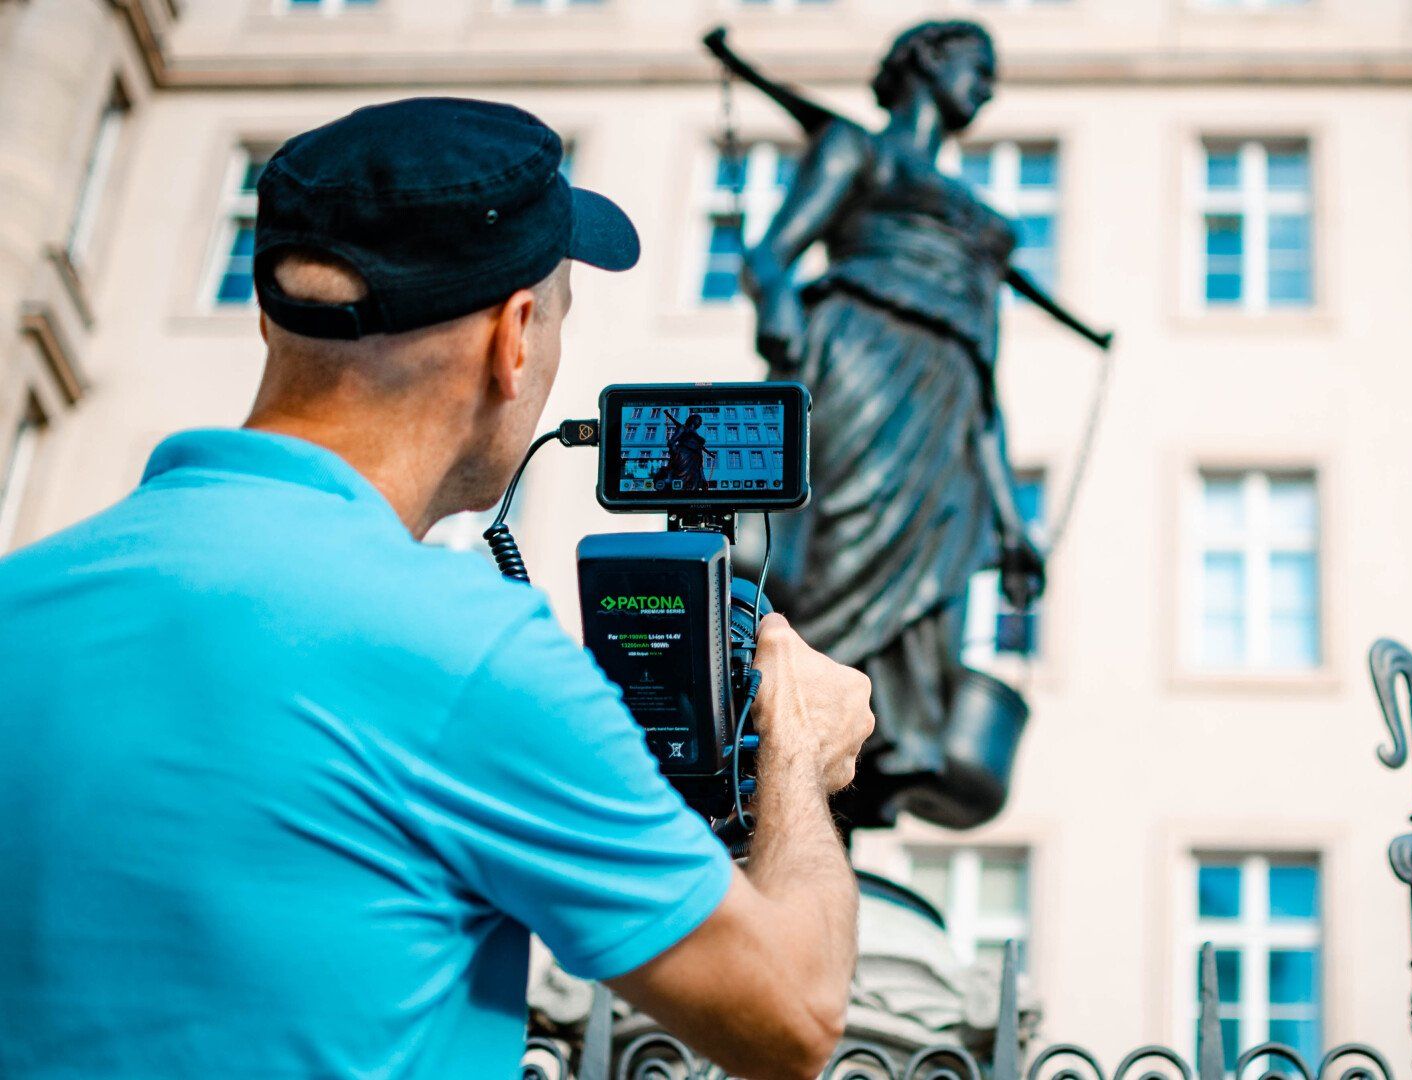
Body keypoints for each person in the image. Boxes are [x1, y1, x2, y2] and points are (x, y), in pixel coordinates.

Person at [0, 97, 874, 1079]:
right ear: (514, 339)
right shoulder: (471, 654)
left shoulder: (18, 600)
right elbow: (793, 1018)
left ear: (273, 312)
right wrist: (797, 748)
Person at [742, 21, 1084, 829]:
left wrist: (1011, 523)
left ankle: (863, 784)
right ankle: (791, 757)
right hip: (860, 362)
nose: (989, 88)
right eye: (979, 68)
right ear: (927, 62)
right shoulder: (856, 152)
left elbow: (985, 390)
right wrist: (780, 312)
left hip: (946, 410)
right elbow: (768, 256)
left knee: (926, 617)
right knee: (827, 561)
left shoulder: (984, 227)